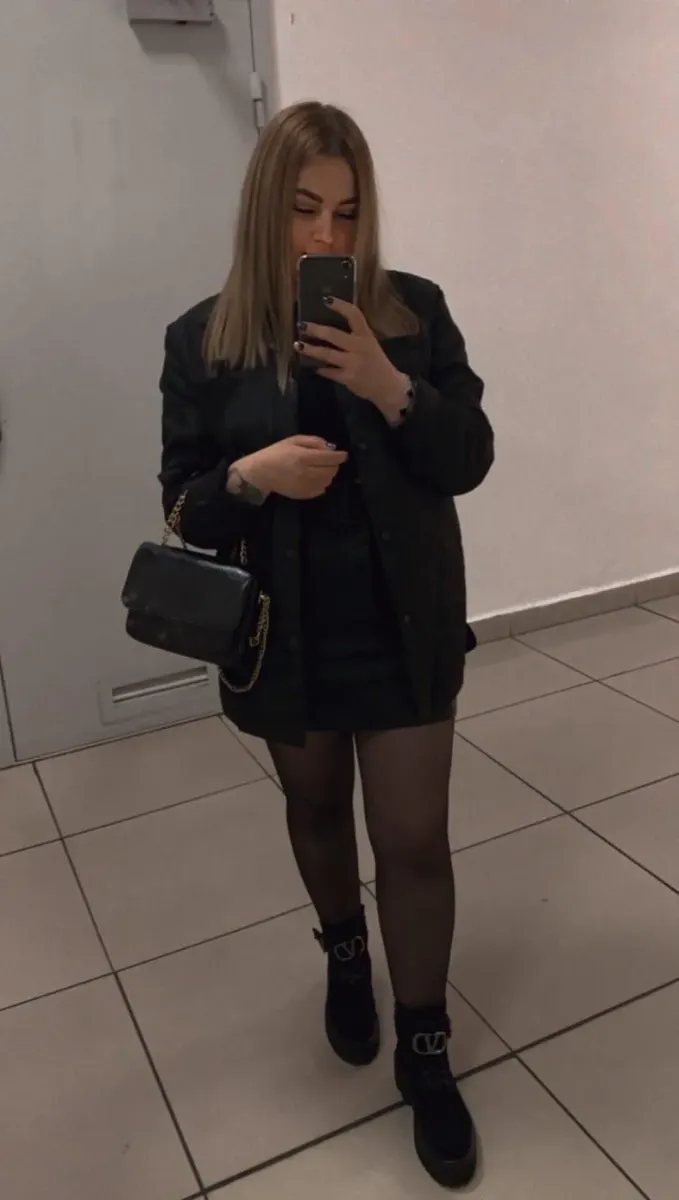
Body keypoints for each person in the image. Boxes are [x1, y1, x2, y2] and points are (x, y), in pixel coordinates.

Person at [159, 100, 494, 1189]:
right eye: (304, 209)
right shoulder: (203, 342)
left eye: (346, 214)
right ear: (266, 207)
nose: (324, 235)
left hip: (403, 622)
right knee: (314, 809)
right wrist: (249, 476)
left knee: (414, 838)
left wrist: (390, 387)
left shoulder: (415, 314)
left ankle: (425, 1047)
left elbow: (468, 457)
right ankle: (346, 955)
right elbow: (184, 510)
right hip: (284, 632)